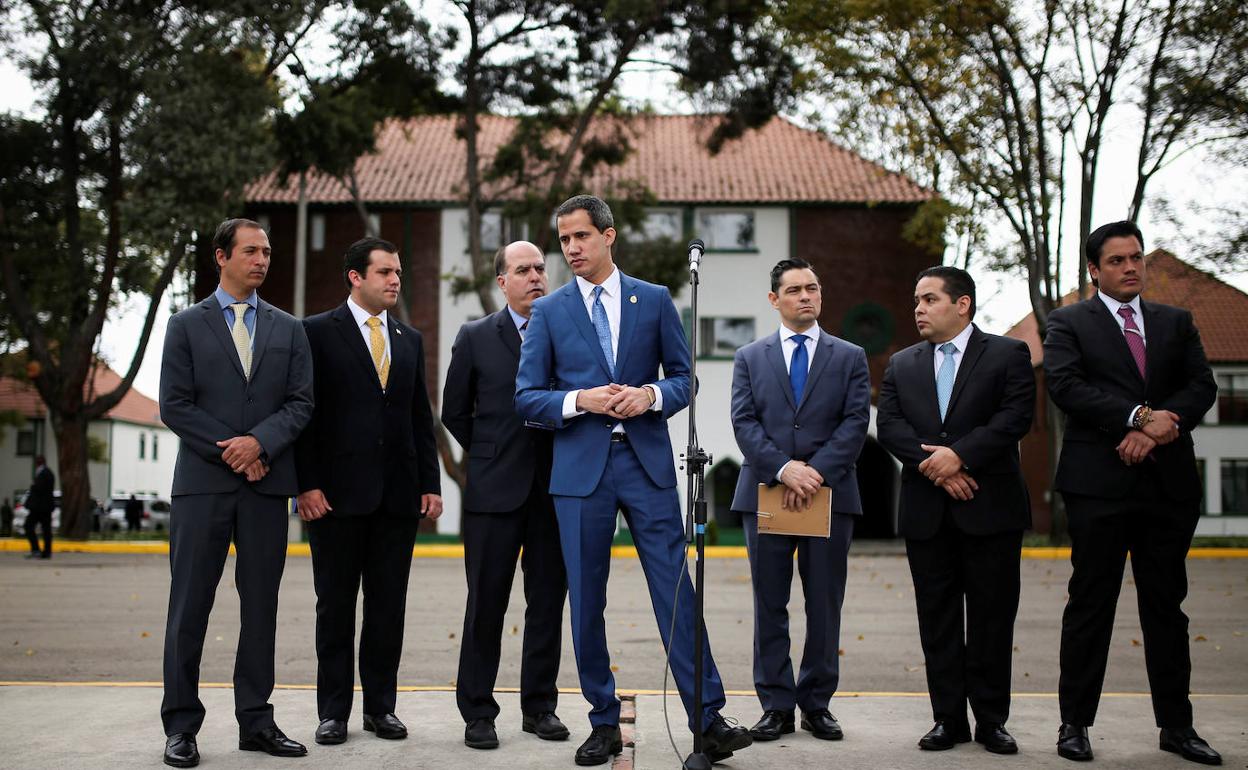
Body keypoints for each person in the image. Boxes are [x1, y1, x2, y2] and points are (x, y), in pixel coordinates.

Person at [515, 195, 753, 765]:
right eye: (564, 239)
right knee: (586, 601)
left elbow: (684, 381)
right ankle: (601, 721)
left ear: (608, 236)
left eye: (581, 237)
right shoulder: (549, 312)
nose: (570, 249)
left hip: (646, 468)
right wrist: (580, 399)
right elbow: (527, 398)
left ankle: (707, 717)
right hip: (579, 475)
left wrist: (649, 396)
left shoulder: (653, 299)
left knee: (675, 590)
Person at [1045, 221, 1220, 766]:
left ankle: (1177, 727)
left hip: (1167, 488)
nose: (1130, 268)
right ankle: (1074, 725)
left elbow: (1202, 386)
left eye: (1136, 258)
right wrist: (1140, 418)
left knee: (1166, 608)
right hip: (1098, 486)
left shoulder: (1176, 322)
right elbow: (1066, 386)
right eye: (1117, 260)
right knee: (1090, 606)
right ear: (1095, 270)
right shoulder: (1068, 322)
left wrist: (1159, 429)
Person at [158, 218, 314, 768]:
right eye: (251, 251)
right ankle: (181, 726)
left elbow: (300, 403)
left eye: (267, 251)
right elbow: (174, 405)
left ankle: (256, 721)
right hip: (202, 488)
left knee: (261, 608)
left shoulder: (289, 329)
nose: (262, 260)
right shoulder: (184, 325)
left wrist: (260, 445)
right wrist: (234, 450)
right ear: (220, 257)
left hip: (266, 488)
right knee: (189, 607)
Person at [876, 266, 1035, 754]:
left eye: (928, 300)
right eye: (916, 301)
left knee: (991, 618)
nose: (918, 309)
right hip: (928, 514)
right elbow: (889, 425)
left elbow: (1015, 418)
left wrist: (960, 455)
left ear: (962, 304)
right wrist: (937, 464)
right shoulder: (902, 364)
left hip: (992, 509)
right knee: (938, 620)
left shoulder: (1009, 354)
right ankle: (948, 718)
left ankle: (991, 721)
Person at [295, 237, 443, 747]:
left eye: (398, 271)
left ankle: (382, 709)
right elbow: (305, 415)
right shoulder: (315, 332)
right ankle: (333, 711)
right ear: (355, 277)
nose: (395, 280)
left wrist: (430, 482)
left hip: (397, 500)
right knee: (334, 607)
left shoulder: (408, 337)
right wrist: (306, 484)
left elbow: (419, 416)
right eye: (384, 272)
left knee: (387, 608)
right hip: (333, 499)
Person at [728, 258, 870, 744]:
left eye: (813, 287)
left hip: (830, 494)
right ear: (775, 300)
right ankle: (776, 706)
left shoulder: (850, 355)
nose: (806, 296)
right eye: (794, 290)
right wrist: (784, 469)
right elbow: (744, 423)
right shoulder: (749, 356)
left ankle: (816, 705)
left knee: (824, 602)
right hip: (766, 492)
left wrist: (815, 472)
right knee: (770, 602)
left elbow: (855, 424)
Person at [442, 241, 568, 750]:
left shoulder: (565, 332)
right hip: (493, 494)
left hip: (556, 490)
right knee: (486, 604)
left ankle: (540, 708)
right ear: (502, 281)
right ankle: (478, 712)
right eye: (523, 270)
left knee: (546, 605)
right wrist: (490, 453)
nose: (535, 276)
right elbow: (454, 411)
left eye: (540, 268)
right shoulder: (476, 337)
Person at [25, 456, 55, 559]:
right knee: (46, 530)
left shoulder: (44, 473)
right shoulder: (46, 472)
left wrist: (33, 487)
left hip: (40, 508)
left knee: (29, 526)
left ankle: (37, 550)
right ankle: (45, 552)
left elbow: (39, 489)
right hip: (43, 507)